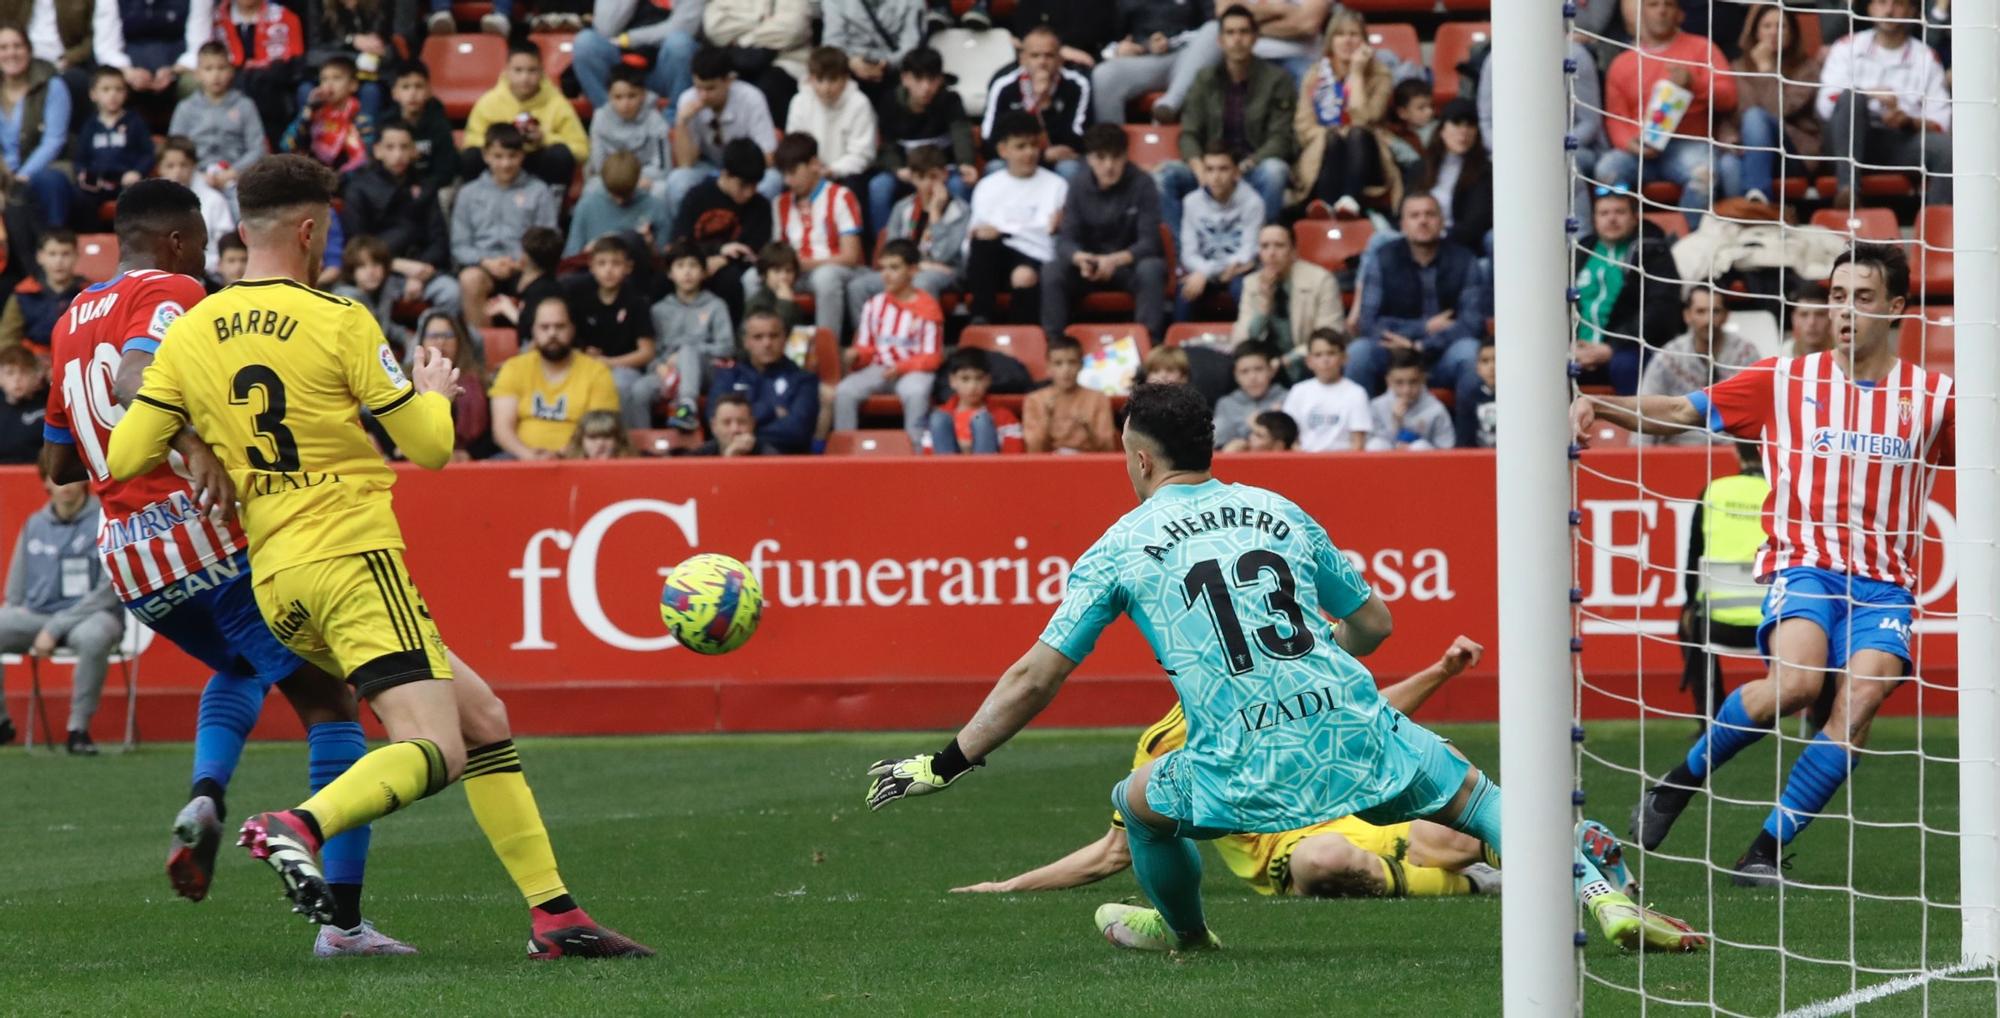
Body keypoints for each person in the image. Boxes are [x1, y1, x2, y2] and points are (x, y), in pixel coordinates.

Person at [864, 383, 1701, 956]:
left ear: (1140, 458)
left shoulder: (1119, 545)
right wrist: (1312, 659)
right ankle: (1605, 898)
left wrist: (944, 764)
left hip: (1242, 757)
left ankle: (1191, 941)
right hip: (1346, 725)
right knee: (1480, 800)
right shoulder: (1278, 509)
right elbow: (1375, 625)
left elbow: (1033, 679)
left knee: (1138, 803)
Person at [103, 156, 650, 957]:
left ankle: (555, 917)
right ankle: (297, 824)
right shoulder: (340, 319)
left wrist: (195, 444)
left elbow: (123, 457)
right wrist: (431, 384)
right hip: (353, 557)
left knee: (484, 719)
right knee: (436, 748)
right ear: (310, 228)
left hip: (278, 582)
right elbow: (430, 447)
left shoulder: (189, 332)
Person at [36, 178, 417, 952]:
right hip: (199, 534)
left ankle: (206, 794)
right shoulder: (174, 288)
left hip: (133, 561)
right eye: (206, 248)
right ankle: (341, 925)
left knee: (244, 669)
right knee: (334, 705)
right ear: (177, 241)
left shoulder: (72, 316)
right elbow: (132, 380)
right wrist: (194, 445)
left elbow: (57, 461)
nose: (211, 264)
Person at [1574, 244, 1955, 886]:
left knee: (1858, 704)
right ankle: (1678, 782)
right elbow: (1676, 413)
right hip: (1805, 565)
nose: (1844, 312)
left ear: (1895, 308)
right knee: (1799, 684)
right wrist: (1599, 404)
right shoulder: (1784, 381)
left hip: (1887, 584)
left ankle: (1762, 853)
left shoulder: (1934, 397)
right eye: (1836, 298)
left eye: (1862, 299)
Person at [952, 637, 1503, 898]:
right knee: (1325, 859)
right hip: (1289, 854)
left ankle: (1565, 853)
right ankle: (1476, 887)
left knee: (1450, 813)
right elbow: (1115, 850)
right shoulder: (1165, 743)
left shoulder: (1286, 686)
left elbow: (1370, 721)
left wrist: (1440, 671)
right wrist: (1011, 886)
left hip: (1358, 818)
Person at [0, 472, 121, 755]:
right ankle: (2, 723)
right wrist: (15, 611)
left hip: (92, 615)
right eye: (57, 479)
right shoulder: (34, 524)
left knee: (95, 636)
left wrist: (55, 628)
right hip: (39, 615)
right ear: (45, 483)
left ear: (83, 482)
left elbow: (109, 589)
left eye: (71, 477)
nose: (64, 486)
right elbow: (15, 589)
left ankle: (78, 730)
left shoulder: (106, 521)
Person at [1596, 0, 1740, 226]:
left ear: (1680, 14)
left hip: (1689, 143)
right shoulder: (1622, 63)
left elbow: (1729, 97)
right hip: (1640, 149)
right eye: (1654, 5)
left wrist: (1694, 84)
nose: (1662, 11)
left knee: (1703, 174)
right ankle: (1625, 242)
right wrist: (1630, 143)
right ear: (1641, 13)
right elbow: (1615, 118)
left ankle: (1688, 245)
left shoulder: (1702, 48)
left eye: (1669, 5)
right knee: (1607, 169)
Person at [1156, 6, 1292, 239]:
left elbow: (1281, 138)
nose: (1237, 39)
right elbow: (1189, 132)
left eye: (1243, 32)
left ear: (1255, 38)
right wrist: (1201, 169)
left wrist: (1245, 167)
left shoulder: (1276, 80)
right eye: (1230, 33)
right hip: (1212, 170)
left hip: (1251, 168)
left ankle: (1260, 252)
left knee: (1275, 171)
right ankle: (1182, 259)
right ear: (1220, 40)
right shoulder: (1204, 79)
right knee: (1163, 177)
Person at [1815, 0, 1951, 205]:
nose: (1888, 10)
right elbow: (1825, 106)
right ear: (1869, 8)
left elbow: (1941, 123)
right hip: (1843, 142)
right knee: (1853, 98)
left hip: (1895, 142)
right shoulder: (1846, 46)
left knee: (1947, 149)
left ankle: (1935, 226)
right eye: (1881, 2)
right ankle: (1847, 193)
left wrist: (1908, 121)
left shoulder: (1926, 57)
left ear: (1912, 11)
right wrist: (1868, 94)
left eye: (1898, 4)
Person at [1350, 193, 1486, 396]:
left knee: (1469, 352)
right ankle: (1359, 426)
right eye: (1414, 216)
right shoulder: (1383, 258)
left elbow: (1472, 324)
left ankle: (1470, 427)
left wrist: (1421, 345)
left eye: (1430, 214)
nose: (1423, 221)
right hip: (1393, 355)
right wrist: (1423, 328)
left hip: (1443, 355)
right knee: (1359, 353)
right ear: (1403, 225)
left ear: (1442, 222)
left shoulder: (1464, 260)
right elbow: (1369, 322)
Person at [1678, 441, 1771, 728]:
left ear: (1735, 452)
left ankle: (1711, 717)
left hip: (1718, 625)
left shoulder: (1713, 491)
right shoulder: (1783, 492)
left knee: (1688, 621)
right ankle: (1822, 718)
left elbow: (1693, 561)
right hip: (1776, 623)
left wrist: (1690, 604)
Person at [1045, 123, 1167, 341]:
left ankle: (1149, 344)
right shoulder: (1077, 184)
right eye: (1101, 158)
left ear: (1126, 156)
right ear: (1089, 159)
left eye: (1116, 157)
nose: (1109, 166)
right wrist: (1080, 258)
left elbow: (1149, 242)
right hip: (1089, 267)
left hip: (1127, 265)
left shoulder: (1143, 183)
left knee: (1152, 268)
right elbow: (1065, 240)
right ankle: (1055, 346)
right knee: (1053, 271)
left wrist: (1114, 260)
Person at [1572, 188, 1681, 395]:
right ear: (1594, 219)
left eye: (1619, 212)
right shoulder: (1581, 253)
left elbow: (1661, 309)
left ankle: (1640, 426)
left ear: (1634, 218)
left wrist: (1611, 348)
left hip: (1628, 350)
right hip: (1578, 351)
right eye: (1604, 213)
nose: (1611, 219)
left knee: (1627, 365)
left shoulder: (1652, 251)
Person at [339, 124, 456, 315]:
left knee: (451, 292)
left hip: (421, 270)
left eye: (404, 147)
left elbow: (439, 240)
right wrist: (394, 265)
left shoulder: (425, 187)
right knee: (350, 297)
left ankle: (424, 343)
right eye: (390, 147)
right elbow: (355, 244)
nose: (398, 154)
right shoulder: (358, 188)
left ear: (413, 151)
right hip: (374, 272)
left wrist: (420, 273)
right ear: (377, 150)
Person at [833, 239, 943, 444]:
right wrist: (855, 355)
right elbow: (866, 348)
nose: (886, 274)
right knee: (844, 391)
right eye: (883, 268)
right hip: (879, 368)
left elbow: (932, 357)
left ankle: (916, 457)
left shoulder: (927, 307)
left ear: (912, 270)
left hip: (914, 370)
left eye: (894, 268)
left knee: (916, 393)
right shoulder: (874, 305)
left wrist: (902, 367)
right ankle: (844, 453)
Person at [965, 111, 1069, 326]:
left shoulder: (1057, 185)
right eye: (1021, 147)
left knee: (1023, 275)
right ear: (1003, 150)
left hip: (1036, 255)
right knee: (983, 243)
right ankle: (981, 321)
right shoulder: (988, 186)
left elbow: (1046, 234)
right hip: (995, 257)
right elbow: (974, 235)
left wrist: (1004, 231)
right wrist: (999, 233)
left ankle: (1022, 338)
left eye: (1033, 145)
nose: (1030, 153)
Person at [489, 295, 623, 460]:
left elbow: (600, 430)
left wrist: (559, 456)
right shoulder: (513, 368)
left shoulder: (597, 372)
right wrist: (530, 456)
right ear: (533, 331)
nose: (552, 333)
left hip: (580, 459)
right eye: (544, 327)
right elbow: (502, 430)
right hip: (520, 458)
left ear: (572, 329)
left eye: (560, 326)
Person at [452, 125, 560, 330]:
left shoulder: (539, 191)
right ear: (486, 156)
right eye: (498, 156)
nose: (505, 163)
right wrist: (487, 262)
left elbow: (549, 239)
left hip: (526, 267)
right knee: (469, 279)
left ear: (522, 156)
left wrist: (521, 260)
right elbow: (459, 246)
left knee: (543, 283)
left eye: (512, 156)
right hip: (484, 268)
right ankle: (480, 351)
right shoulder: (468, 193)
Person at [1293, 8, 1397, 218]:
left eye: (1354, 34)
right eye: (1340, 35)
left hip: (1368, 157)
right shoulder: (1315, 75)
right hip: (1323, 152)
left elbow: (1367, 118)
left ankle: (1350, 200)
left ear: (1364, 41)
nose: (1347, 41)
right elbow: (1303, 126)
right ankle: (1326, 204)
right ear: (1330, 41)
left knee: (1356, 133)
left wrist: (1357, 74)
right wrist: (1333, 133)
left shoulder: (1380, 74)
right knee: (1332, 137)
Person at [868, 47, 978, 234]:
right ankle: (885, 246)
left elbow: (961, 134)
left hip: (942, 171)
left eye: (932, 79)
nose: (926, 87)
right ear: (905, 78)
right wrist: (897, 168)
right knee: (879, 187)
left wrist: (965, 162)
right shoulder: (890, 102)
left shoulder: (950, 100)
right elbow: (887, 144)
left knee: (959, 185)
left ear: (941, 79)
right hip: (907, 171)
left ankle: (960, 242)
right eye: (919, 79)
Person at [1722, 3, 1823, 203]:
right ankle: (1744, 219)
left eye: (1782, 26)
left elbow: (1778, 109)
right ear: (1755, 32)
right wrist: (1729, 139)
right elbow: (1726, 114)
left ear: (1792, 33)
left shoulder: (1807, 69)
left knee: (1754, 115)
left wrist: (1766, 69)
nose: (1774, 33)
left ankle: (1760, 198)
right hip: (1747, 149)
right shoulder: (1736, 68)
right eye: (1767, 26)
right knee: (1727, 164)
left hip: (1793, 155)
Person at [849, 144, 968, 310]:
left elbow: (942, 257)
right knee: (858, 286)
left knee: (923, 281)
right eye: (921, 177)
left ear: (945, 174)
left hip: (947, 272)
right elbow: (892, 250)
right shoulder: (903, 207)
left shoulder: (960, 210)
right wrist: (918, 266)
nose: (927, 184)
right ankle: (867, 335)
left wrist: (934, 214)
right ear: (912, 178)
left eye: (933, 176)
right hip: (906, 268)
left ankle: (922, 334)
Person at [1637, 287, 1761, 445]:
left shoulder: (1745, 353)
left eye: (1715, 311)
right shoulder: (1669, 357)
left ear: (1726, 316)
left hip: (1732, 451)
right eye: (1701, 311)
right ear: (1687, 316)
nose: (1709, 320)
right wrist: (1639, 461)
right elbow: (1646, 411)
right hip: (1679, 452)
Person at [666, 47, 782, 217]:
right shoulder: (688, 100)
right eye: (698, 88)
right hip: (709, 169)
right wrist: (682, 123)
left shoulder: (752, 98)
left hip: (745, 172)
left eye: (710, 88)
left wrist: (735, 178)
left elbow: (768, 157)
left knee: (772, 180)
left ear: (728, 80)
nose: (703, 96)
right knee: (678, 180)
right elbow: (686, 163)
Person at [461, 40, 589, 192]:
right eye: (518, 70)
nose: (525, 78)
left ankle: (551, 207)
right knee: (471, 157)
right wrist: (501, 143)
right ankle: (481, 205)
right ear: (507, 71)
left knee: (560, 154)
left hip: (538, 166)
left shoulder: (558, 103)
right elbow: (470, 142)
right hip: (501, 164)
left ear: (542, 71)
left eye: (532, 70)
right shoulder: (489, 102)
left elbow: (582, 150)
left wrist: (544, 138)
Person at [773, 133, 865, 341]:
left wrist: (805, 264)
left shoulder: (841, 196)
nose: (788, 181)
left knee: (826, 278)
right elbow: (778, 250)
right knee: (753, 278)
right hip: (795, 272)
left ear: (814, 164)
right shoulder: (780, 203)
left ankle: (827, 351)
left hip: (837, 270)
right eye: (784, 174)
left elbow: (850, 256)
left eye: (793, 172)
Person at [672, 138, 774, 325]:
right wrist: (711, 255)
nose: (749, 193)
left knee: (730, 280)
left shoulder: (760, 206)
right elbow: (680, 241)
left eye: (754, 186)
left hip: (735, 270)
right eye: (743, 186)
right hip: (694, 262)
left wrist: (724, 260)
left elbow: (755, 249)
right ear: (726, 175)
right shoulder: (696, 197)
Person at [980, 25, 1091, 184]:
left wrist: (1046, 104)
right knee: (995, 167)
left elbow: (1078, 141)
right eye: (1035, 55)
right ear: (1023, 58)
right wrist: (1040, 154)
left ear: (1060, 59)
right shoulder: (1004, 85)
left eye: (1049, 55)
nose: (1042, 62)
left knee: (1070, 168)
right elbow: (989, 142)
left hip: (1058, 162)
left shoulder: (1077, 85)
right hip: (1016, 160)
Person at [186, 0, 308, 142]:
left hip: (274, 92)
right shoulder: (214, 19)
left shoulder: (285, 17)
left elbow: (295, 65)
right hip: (230, 90)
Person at [648, 242, 736, 428]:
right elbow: (653, 351)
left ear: (704, 272)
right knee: (640, 391)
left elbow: (727, 347)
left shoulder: (716, 306)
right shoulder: (659, 310)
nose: (687, 272)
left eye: (693, 266)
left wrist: (689, 351)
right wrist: (659, 366)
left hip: (710, 370)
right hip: (670, 371)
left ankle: (687, 408)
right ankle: (637, 448)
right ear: (670, 273)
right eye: (680, 266)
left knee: (688, 351)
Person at [1232, 224, 1341, 372]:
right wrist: (1264, 304)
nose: (1271, 253)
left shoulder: (1321, 280)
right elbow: (1244, 340)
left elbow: (1329, 335)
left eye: (1279, 246)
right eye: (1265, 246)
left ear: (1293, 251)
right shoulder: (1251, 283)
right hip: (1267, 367)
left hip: (1308, 363)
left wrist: (1287, 360)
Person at [708, 308, 819, 454]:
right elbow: (714, 419)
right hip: (732, 461)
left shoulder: (804, 380)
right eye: (758, 337)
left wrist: (744, 435)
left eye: (773, 336)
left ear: (785, 338)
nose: (767, 343)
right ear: (746, 341)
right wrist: (772, 411)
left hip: (784, 466)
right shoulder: (728, 377)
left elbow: (796, 432)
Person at [1089, 0, 1214, 127]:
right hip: (1146, 60)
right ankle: (1110, 142)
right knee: (1103, 75)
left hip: (1190, 57)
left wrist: (1170, 43)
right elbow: (1108, 41)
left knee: (1214, 30)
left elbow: (1211, 28)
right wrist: (1119, 49)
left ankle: (1167, 106)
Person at [1176, 140, 1264, 322]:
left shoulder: (1253, 202)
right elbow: (1188, 253)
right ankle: (1178, 348)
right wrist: (1208, 272)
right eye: (1210, 169)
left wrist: (1208, 272)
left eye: (1223, 169)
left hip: (1238, 273)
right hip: (1205, 269)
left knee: (1244, 286)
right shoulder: (1191, 202)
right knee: (1185, 290)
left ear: (1236, 172)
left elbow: (1248, 251)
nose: (1215, 177)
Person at [570, 0, 703, 119]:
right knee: (585, 43)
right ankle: (612, 120)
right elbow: (605, 28)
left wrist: (631, 39)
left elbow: (684, 28)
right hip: (621, 67)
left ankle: (674, 121)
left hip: (664, 68)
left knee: (680, 44)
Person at [169, 42, 267, 194]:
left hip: (238, 178)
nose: (215, 75)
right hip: (195, 178)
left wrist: (232, 173)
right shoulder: (185, 108)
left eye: (221, 68)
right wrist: (197, 175)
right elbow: (175, 149)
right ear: (197, 74)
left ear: (231, 71)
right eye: (208, 69)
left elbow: (258, 149)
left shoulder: (245, 105)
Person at [0, 25, 74, 228]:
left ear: (29, 50)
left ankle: (53, 247)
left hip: (44, 169)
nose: (11, 53)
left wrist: (23, 175)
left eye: (17, 46)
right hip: (4, 172)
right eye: (3, 47)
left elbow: (54, 140)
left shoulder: (53, 86)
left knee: (44, 183)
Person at [785, 47, 878, 196]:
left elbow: (862, 155)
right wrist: (809, 170)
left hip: (846, 175)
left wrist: (832, 170)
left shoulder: (860, 104)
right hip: (808, 173)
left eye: (833, 80)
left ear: (846, 78)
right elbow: (794, 146)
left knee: (853, 185)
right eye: (819, 80)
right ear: (810, 78)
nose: (826, 88)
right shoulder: (799, 101)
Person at [700, 0, 812, 123]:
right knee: (716, 83)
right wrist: (761, 20)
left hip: (785, 59)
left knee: (769, 86)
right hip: (738, 59)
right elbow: (715, 29)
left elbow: (793, 29)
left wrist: (745, 39)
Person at [72, 66, 156, 224]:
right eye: (106, 89)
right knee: (79, 198)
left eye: (119, 89)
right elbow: (80, 159)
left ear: (126, 93)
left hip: (126, 182)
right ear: (93, 94)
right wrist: (83, 173)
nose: (113, 95)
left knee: (137, 200)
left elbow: (148, 153)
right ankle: (92, 242)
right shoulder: (90, 126)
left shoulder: (134, 122)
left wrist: (137, 172)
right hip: (97, 184)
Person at [410, 309, 491, 460]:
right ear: (421, 342)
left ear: (459, 341)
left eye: (447, 336)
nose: (440, 342)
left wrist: (469, 454)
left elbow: (491, 434)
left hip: (470, 463)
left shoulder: (480, 382)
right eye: (433, 336)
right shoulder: (404, 382)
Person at [585, 65, 673, 205]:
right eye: (618, 97)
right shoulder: (600, 118)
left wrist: (634, 181)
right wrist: (621, 181)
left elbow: (663, 168)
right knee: (592, 189)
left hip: (644, 180)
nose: (625, 104)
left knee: (662, 190)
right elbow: (598, 165)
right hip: (611, 181)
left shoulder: (656, 121)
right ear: (609, 96)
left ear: (643, 95)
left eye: (632, 96)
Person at [565, 150, 673, 259]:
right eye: (614, 193)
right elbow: (571, 256)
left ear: (637, 181)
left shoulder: (655, 207)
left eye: (625, 193)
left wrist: (650, 245)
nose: (619, 201)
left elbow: (666, 260)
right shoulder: (586, 206)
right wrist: (587, 251)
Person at [1420, 99, 1492, 256]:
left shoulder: (1484, 172)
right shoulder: (1421, 167)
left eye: (1470, 125)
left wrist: (1439, 236)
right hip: (1418, 238)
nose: (1464, 131)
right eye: (1456, 123)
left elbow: (1477, 223)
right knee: (1382, 238)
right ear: (1442, 129)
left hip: (1460, 243)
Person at [279, 56, 373, 174]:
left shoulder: (360, 119)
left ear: (353, 85)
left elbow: (367, 159)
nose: (329, 84)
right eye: (324, 79)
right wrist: (307, 113)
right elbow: (286, 146)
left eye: (336, 78)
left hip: (348, 181)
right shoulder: (313, 114)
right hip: (314, 176)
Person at [922, 346, 1024, 455]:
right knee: (938, 419)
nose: (973, 386)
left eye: (979, 378)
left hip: (990, 470)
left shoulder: (1004, 417)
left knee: (981, 420)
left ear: (988, 380)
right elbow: (928, 456)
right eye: (965, 379)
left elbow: (1014, 456)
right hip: (947, 471)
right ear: (952, 381)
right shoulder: (941, 417)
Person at [1023, 335, 1115, 454]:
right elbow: (1033, 449)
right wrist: (1047, 419)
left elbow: (1108, 449)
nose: (1066, 370)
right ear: (1048, 367)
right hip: (1048, 466)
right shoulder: (1034, 400)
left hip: (1089, 465)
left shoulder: (1098, 399)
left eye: (1072, 362)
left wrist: (1088, 427)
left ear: (1081, 365)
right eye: (1058, 363)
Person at [1281, 329, 1369, 452]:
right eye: (1318, 355)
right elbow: (1289, 437)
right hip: (1305, 463)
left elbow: (1358, 443)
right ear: (1309, 361)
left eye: (1331, 353)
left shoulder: (1356, 393)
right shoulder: (1298, 391)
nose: (1325, 360)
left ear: (1344, 358)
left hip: (1342, 465)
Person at [823, 0, 924, 103]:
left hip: (895, 70)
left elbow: (911, 45)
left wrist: (887, 63)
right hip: (850, 69)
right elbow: (833, 44)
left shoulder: (912, 2)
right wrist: (851, 62)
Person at [377, 62, 456, 193]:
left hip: (432, 187)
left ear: (429, 91)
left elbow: (446, 171)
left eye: (418, 86)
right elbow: (378, 166)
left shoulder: (440, 123)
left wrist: (423, 188)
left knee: (445, 194)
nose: (412, 93)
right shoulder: (385, 124)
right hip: (394, 187)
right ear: (394, 93)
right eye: (405, 87)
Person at [0, 230, 85, 352]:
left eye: (65, 254)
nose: (59, 261)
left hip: (74, 359)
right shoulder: (23, 294)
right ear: (40, 257)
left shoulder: (88, 294)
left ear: (76, 256)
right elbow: (7, 339)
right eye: (52, 254)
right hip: (32, 362)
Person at [1364, 348, 1453, 451]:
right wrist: (1396, 423)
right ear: (1388, 381)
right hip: (1386, 464)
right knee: (1376, 445)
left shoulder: (1436, 409)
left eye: (1413, 382)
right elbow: (1367, 443)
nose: (1407, 390)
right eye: (1399, 382)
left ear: (1423, 379)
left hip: (1422, 465)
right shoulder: (1377, 406)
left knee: (1420, 447)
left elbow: (1446, 448)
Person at [1213, 340, 1287, 450]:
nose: (1252, 377)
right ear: (1236, 376)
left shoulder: (1288, 398)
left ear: (1271, 370)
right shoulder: (1226, 404)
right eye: (1244, 371)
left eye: (1258, 369)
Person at [744, 242, 808, 334]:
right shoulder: (757, 305)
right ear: (764, 274)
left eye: (789, 271)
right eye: (777, 271)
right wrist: (785, 304)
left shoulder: (791, 299)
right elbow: (773, 335)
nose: (784, 277)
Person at [693, 391, 778, 456]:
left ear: (752, 424)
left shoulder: (769, 456)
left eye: (741, 422)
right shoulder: (699, 456)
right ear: (713, 426)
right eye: (727, 422)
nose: (735, 429)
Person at [0, 345, 45, 463]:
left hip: (38, 476)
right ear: (1, 378)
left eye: (24, 372)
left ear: (36, 377)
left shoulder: (48, 408)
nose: (17, 379)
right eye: (10, 373)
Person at [1454, 339, 1496, 449]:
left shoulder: (1518, 398)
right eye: (1485, 361)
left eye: (1497, 359)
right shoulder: (1469, 398)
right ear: (1477, 367)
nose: (1492, 367)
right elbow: (1464, 442)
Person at [561, 409, 635, 460]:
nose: (600, 443)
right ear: (581, 441)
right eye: (593, 438)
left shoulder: (633, 466)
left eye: (607, 437)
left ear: (618, 440)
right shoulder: (569, 463)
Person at [1781, 286, 1834, 356]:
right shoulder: (1780, 355)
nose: (1812, 322)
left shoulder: (1845, 354)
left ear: (1831, 317)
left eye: (1820, 314)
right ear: (1794, 318)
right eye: (1804, 315)